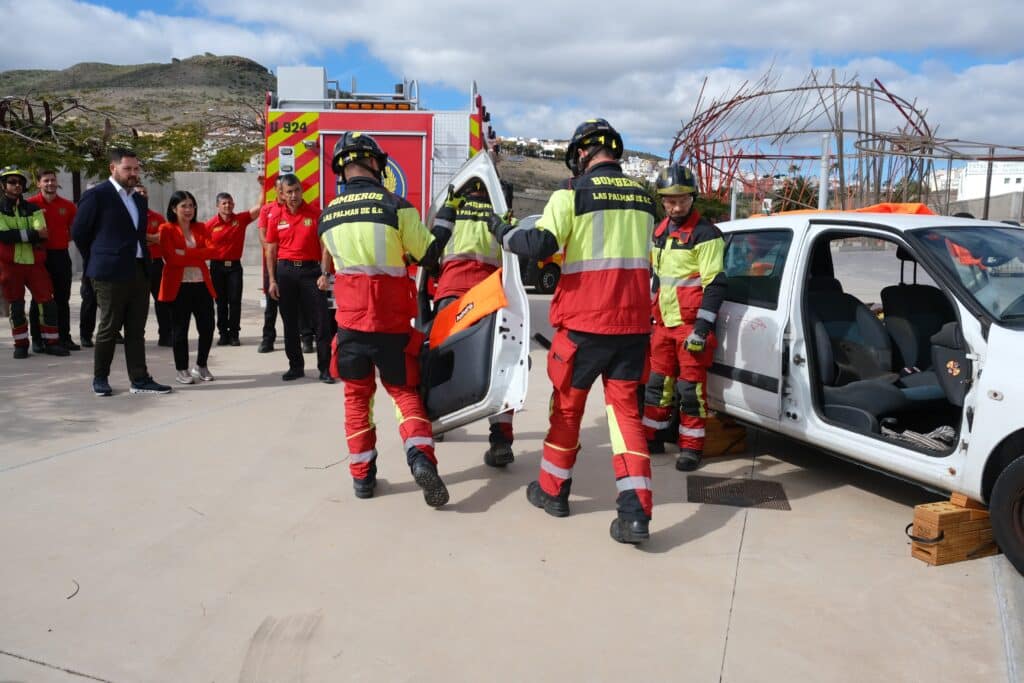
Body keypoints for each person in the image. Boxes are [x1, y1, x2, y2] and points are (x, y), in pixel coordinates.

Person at [487, 119, 657, 544]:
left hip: (584, 327)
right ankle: (635, 514)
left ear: (583, 153)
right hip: (633, 327)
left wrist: (505, 234)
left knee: (566, 411)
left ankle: (553, 492)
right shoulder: (644, 198)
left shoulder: (571, 194)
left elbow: (542, 246)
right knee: (626, 418)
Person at [319, 131, 455, 506]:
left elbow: (347, 262)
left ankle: (363, 478)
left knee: (357, 400)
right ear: (377, 163)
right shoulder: (396, 205)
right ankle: (420, 457)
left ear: (341, 170)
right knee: (406, 395)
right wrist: (445, 219)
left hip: (349, 326)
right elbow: (428, 255)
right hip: (392, 326)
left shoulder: (328, 215)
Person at [642, 164, 727, 472]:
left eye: (680, 199)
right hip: (663, 326)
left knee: (690, 390)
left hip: (690, 328)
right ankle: (652, 436)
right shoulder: (660, 232)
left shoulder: (706, 235)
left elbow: (714, 284)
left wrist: (702, 329)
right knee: (657, 384)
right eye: (668, 199)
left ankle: (691, 447)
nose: (674, 205)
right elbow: (657, 279)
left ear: (692, 198)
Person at [71, 148, 171, 396]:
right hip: (109, 272)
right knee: (109, 327)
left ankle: (139, 379)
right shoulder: (97, 195)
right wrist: (97, 259)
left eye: (136, 169)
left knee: (136, 329)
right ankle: (100, 379)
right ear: (112, 168)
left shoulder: (138, 198)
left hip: (138, 270)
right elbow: (79, 233)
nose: (133, 173)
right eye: (128, 169)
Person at [433, 177, 516, 468]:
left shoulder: (450, 209)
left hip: (452, 293)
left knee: (441, 364)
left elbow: (431, 251)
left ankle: (437, 423)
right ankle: (501, 440)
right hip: (489, 295)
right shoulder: (500, 215)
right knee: (499, 367)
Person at [264, 173, 332, 382]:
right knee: (290, 323)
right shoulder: (275, 217)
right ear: (282, 194)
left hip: (311, 273)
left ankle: (325, 369)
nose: (294, 196)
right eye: (289, 192)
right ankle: (296, 366)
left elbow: (325, 246)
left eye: (297, 191)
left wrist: (324, 274)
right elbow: (271, 251)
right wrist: (273, 280)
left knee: (321, 322)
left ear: (302, 191)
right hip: (286, 273)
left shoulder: (315, 214)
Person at [0, 165, 68, 358]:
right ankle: (21, 344)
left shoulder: (33, 208)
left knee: (47, 303)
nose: (17, 185)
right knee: (17, 306)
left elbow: (43, 233)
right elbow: (3, 236)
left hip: (35, 264)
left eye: (20, 182)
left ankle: (51, 342)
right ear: (4, 185)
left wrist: (19, 235)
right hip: (10, 266)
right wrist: (31, 234)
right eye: (12, 182)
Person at [158, 191, 217, 384]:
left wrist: (185, 253)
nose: (188, 209)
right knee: (180, 330)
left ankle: (201, 365)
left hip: (201, 285)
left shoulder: (201, 227)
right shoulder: (166, 229)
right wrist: (197, 254)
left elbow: (212, 251)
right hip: (179, 287)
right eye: (184, 205)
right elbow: (172, 259)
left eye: (191, 205)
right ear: (174, 208)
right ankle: (181, 369)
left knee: (207, 327)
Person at [27, 169, 78, 351]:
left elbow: (75, 230)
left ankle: (64, 337)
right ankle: (38, 339)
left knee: (62, 298)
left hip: (61, 255)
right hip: (39, 256)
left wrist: (63, 239)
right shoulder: (30, 204)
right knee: (38, 299)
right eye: (46, 181)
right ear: (39, 184)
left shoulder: (68, 206)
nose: (50, 183)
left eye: (53, 180)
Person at [205, 192, 258, 346]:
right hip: (216, 267)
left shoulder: (240, 220)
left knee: (235, 301)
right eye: (224, 203)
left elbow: (258, 209)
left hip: (234, 267)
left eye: (230, 203)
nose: (227, 206)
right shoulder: (210, 225)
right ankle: (223, 334)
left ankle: (234, 334)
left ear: (233, 204)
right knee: (220, 302)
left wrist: (263, 187)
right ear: (217, 206)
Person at [135, 183, 173, 346]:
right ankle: (136, 337)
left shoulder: (157, 217)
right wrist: (151, 237)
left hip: (156, 263)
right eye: (139, 192)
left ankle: (165, 335)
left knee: (162, 301)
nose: (143, 194)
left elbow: (162, 238)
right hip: (136, 264)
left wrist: (143, 236)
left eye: (145, 192)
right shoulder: (128, 216)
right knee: (138, 304)